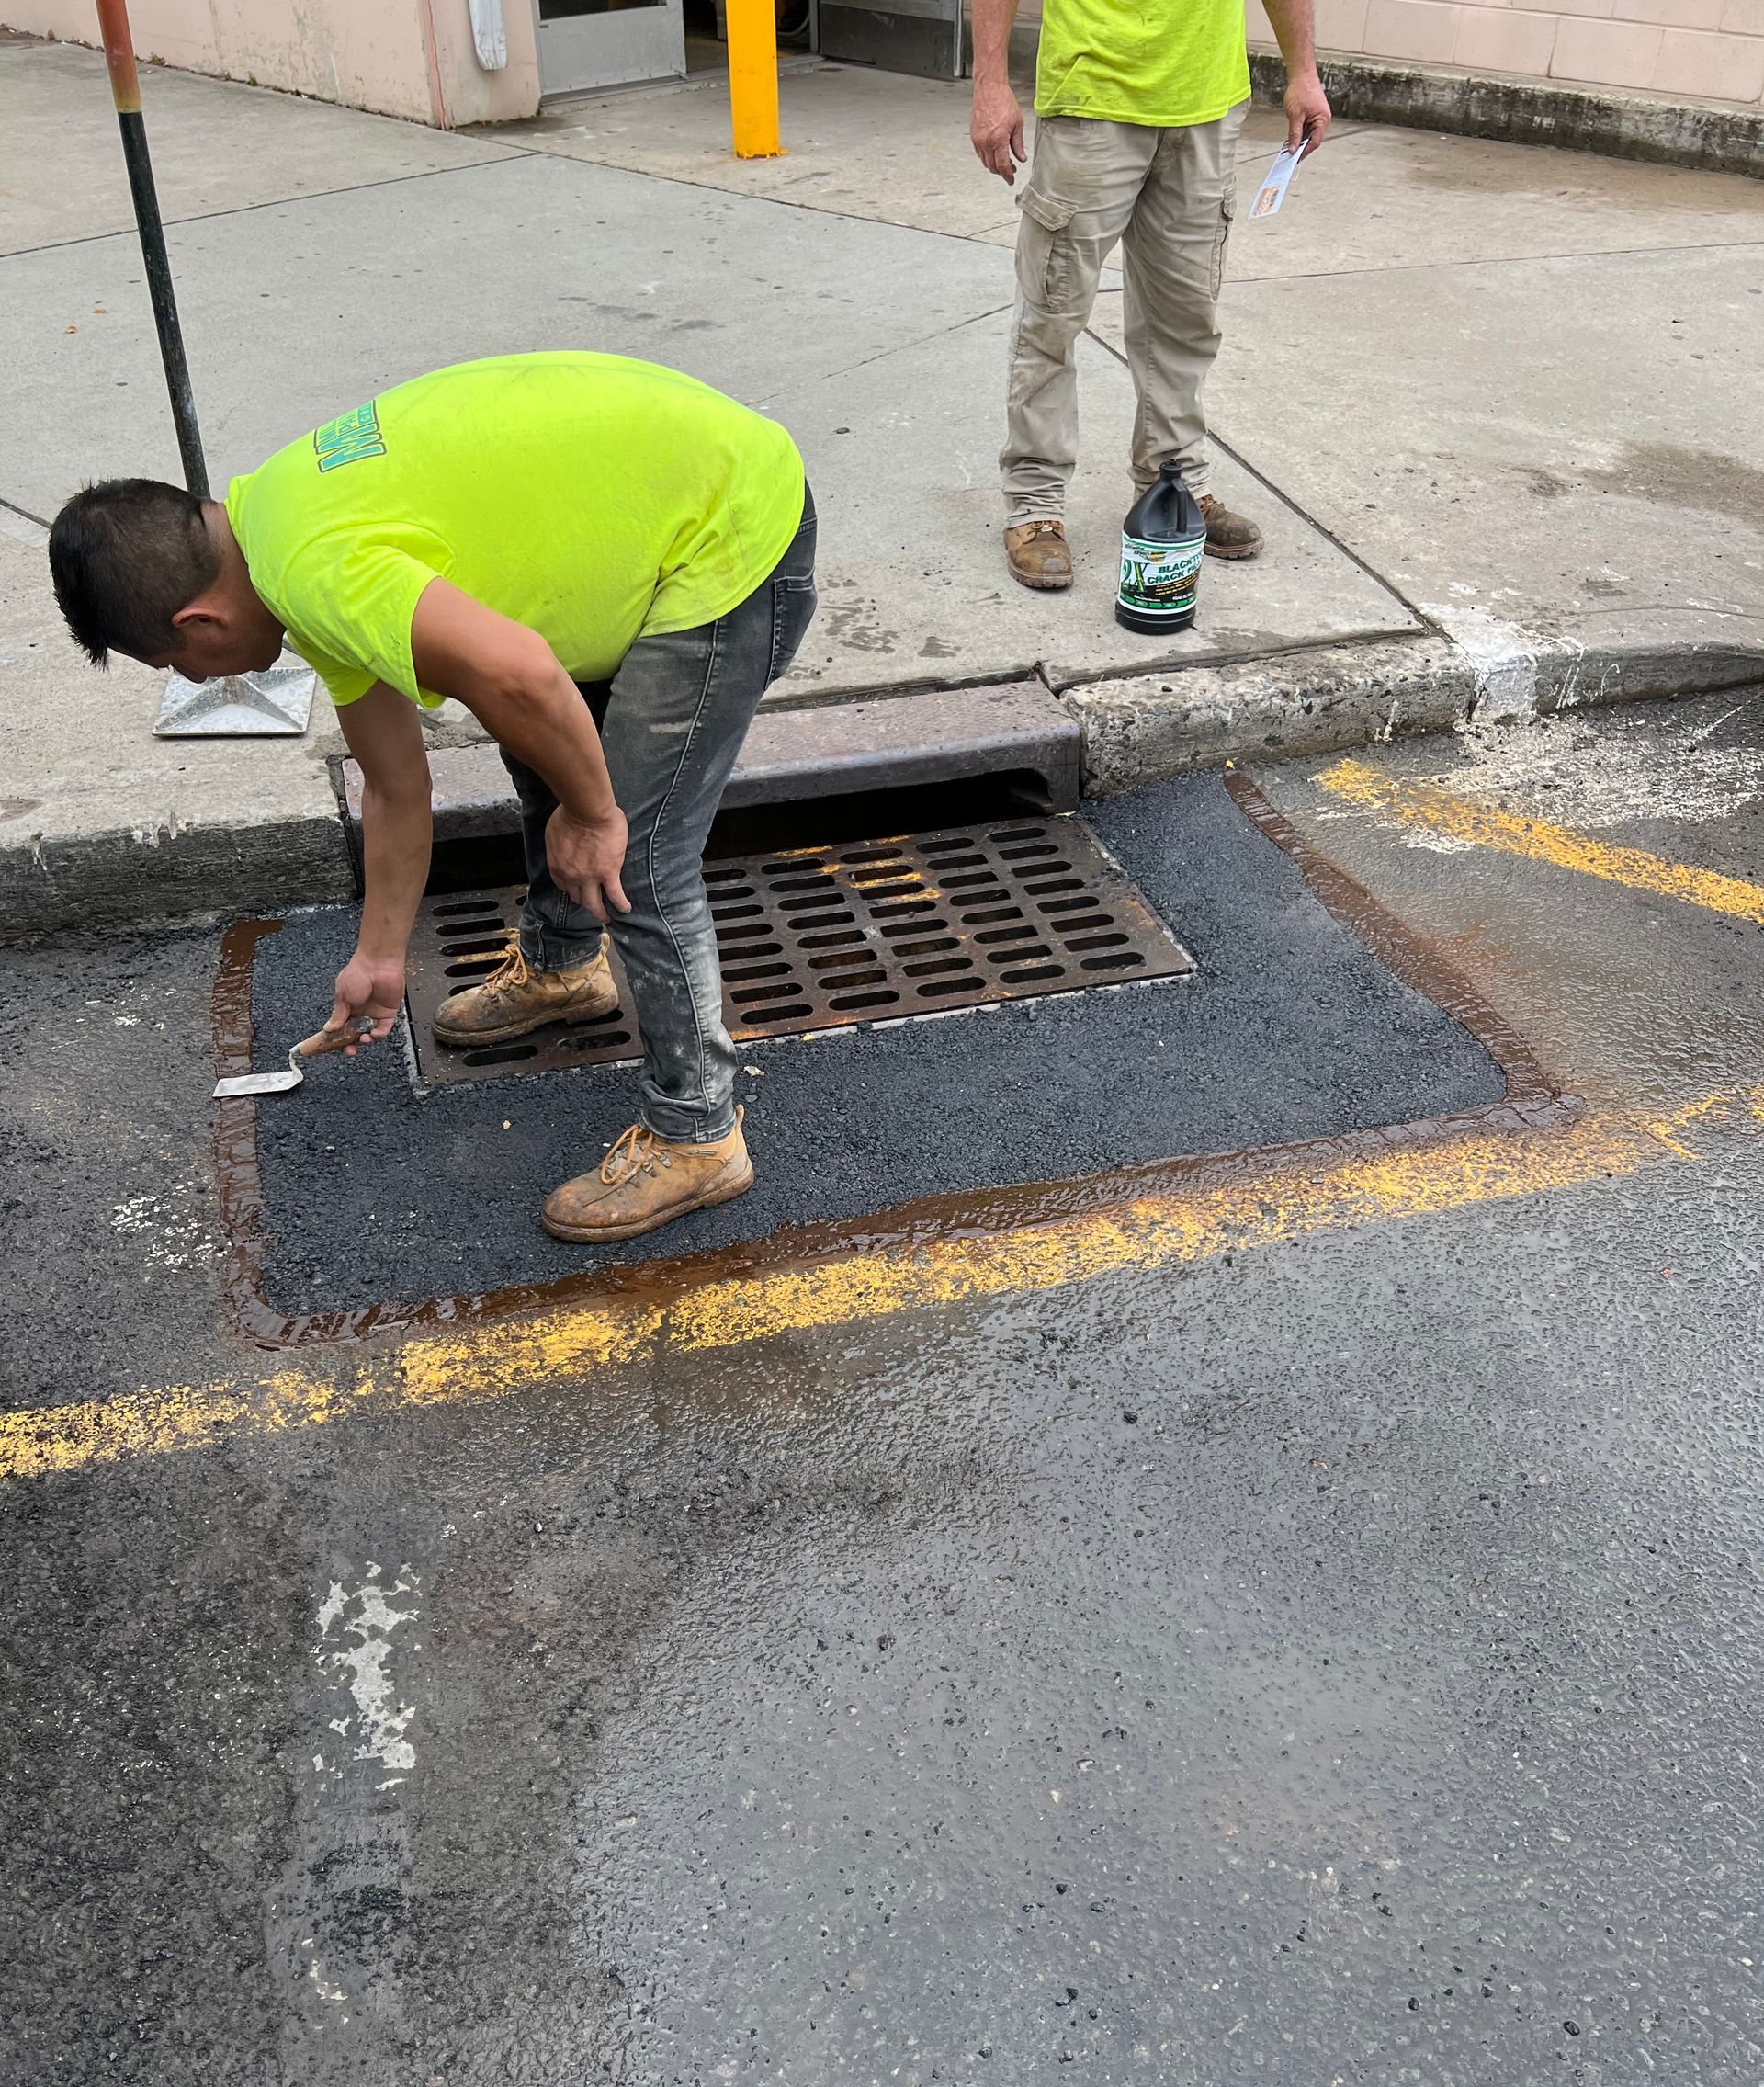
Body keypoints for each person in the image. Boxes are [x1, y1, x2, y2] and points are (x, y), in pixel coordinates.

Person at [48, 351, 817, 1245]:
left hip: (728, 531)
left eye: (179, 667)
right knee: (546, 755)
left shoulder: (318, 572)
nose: (195, 676)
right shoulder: (271, 527)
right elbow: (395, 783)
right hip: (660, 501)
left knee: (633, 847)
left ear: (197, 625)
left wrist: (597, 813)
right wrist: (378, 960)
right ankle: (566, 969)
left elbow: (523, 670)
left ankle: (699, 1131)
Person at [969, 0, 1329, 593]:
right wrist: (990, 84)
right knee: (1052, 316)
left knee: (1184, 320)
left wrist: (1304, 74)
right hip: (1092, 98)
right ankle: (1035, 505)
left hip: (1207, 106)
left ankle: (1173, 482)